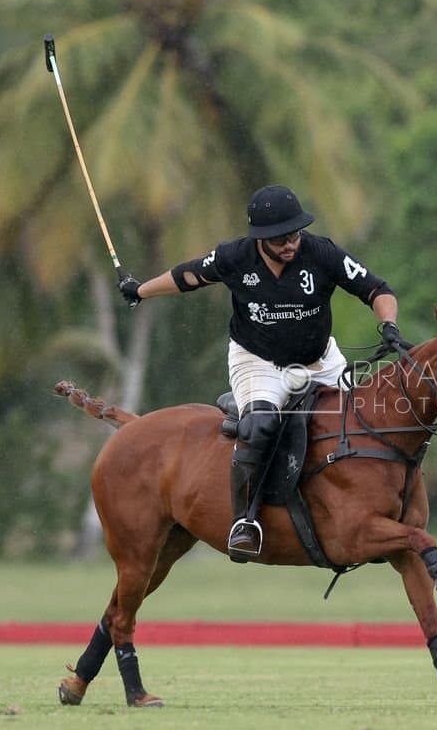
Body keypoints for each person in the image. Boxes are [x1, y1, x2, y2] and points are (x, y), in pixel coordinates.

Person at [116, 185, 407, 562]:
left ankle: (367, 512)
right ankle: (245, 520)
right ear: (262, 239)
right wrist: (141, 290)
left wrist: (389, 324)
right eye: (282, 238)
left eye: (295, 234)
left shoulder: (322, 253)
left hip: (320, 361)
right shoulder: (235, 257)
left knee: (360, 421)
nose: (291, 244)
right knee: (262, 424)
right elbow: (187, 276)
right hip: (258, 361)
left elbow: (376, 289)